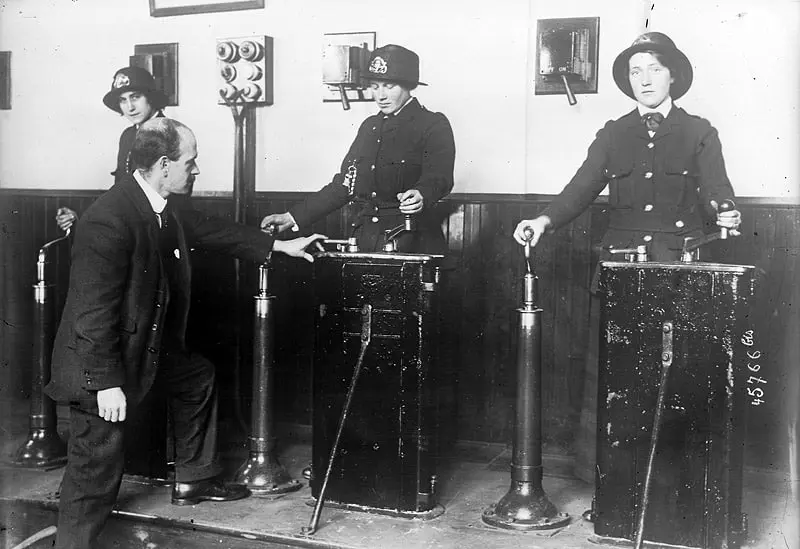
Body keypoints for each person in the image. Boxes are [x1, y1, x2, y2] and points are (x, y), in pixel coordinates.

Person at [44, 117, 325, 549]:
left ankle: (194, 478)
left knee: (197, 378)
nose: (196, 170)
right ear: (163, 165)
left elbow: (210, 229)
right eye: (190, 162)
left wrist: (278, 247)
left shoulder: (158, 203)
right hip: (97, 364)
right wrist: (105, 384)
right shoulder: (108, 219)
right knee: (94, 470)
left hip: (143, 348)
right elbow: (90, 313)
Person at [512, 32, 742, 483]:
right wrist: (544, 221)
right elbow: (580, 188)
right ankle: (609, 482)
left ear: (674, 75)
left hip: (680, 268)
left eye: (655, 68)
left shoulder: (699, 131)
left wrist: (725, 209)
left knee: (678, 375)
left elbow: (717, 189)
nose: (645, 79)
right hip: (620, 269)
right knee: (614, 377)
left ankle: (676, 485)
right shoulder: (614, 133)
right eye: (636, 71)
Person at [261, 44, 456, 254]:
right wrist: (291, 218)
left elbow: (440, 177)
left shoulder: (432, 123)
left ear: (408, 86)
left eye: (389, 86)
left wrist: (422, 195)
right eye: (374, 86)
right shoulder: (369, 127)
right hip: (365, 241)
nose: (380, 95)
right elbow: (344, 185)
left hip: (412, 242)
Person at [55, 66, 166, 232]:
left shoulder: (168, 132)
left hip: (159, 227)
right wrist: (81, 214)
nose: (130, 107)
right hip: (131, 224)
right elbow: (121, 188)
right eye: (123, 100)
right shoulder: (128, 135)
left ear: (150, 97)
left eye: (135, 97)